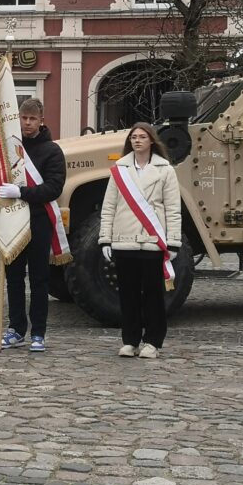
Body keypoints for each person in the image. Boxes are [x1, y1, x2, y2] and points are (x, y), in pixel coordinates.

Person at [99, 123, 181, 360]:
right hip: (124, 240)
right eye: (133, 137)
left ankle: (153, 341)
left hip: (153, 241)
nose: (137, 140)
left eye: (142, 137)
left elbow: (174, 209)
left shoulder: (165, 170)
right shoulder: (119, 169)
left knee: (153, 295)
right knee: (128, 295)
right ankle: (130, 340)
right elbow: (109, 207)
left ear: (151, 141)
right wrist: (105, 239)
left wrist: (173, 242)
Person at [0, 99, 66, 353]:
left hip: (38, 221)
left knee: (39, 279)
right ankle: (16, 328)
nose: (27, 123)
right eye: (23, 118)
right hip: (12, 220)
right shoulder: (8, 149)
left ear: (41, 120)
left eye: (32, 119)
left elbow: (53, 188)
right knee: (13, 278)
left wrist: (21, 191)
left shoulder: (52, 151)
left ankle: (38, 332)